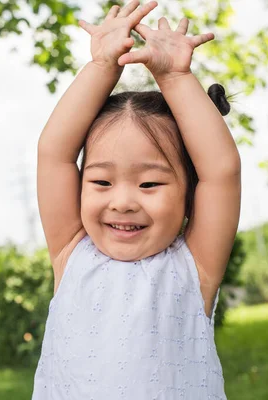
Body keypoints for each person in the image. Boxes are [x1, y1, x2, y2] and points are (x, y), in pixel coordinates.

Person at [32, 0, 240, 398]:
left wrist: (176, 77)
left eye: (149, 185)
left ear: (189, 193)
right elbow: (54, 154)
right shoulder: (70, 253)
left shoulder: (195, 267)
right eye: (101, 182)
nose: (123, 201)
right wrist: (101, 67)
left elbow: (221, 170)